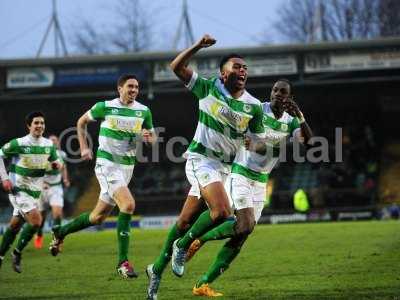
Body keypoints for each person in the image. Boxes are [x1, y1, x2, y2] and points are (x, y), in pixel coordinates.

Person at [146, 34, 265, 300]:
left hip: (226, 168)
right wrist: (198, 46)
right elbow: (176, 67)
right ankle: (184, 245)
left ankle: (155, 270)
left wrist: (254, 143)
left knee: (185, 220)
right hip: (201, 159)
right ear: (223, 74)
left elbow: (257, 142)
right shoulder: (209, 88)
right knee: (222, 211)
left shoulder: (254, 106)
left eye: (245, 67)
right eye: (237, 67)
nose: (242, 70)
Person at [184, 79, 313, 296]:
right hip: (241, 173)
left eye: (283, 92)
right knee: (243, 223)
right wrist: (253, 144)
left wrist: (300, 117)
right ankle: (198, 239)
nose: (277, 94)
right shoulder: (257, 110)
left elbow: (308, 142)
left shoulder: (291, 122)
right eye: (274, 90)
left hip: (261, 181)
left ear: (289, 97)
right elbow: (245, 133)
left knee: (244, 233)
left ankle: (203, 283)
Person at [49, 74, 156, 279]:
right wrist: (84, 148)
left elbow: (153, 138)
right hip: (107, 164)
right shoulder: (105, 106)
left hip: (127, 168)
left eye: (136, 87)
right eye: (130, 86)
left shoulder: (144, 111)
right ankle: (122, 263)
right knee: (128, 205)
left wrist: (148, 138)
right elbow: (81, 123)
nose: (134, 90)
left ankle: (60, 232)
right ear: (120, 88)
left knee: (97, 217)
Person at [0, 111, 61, 273]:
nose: (40, 126)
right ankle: (17, 253)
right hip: (18, 189)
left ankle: (0, 255)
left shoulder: (48, 144)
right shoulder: (18, 143)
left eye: (42, 123)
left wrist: (57, 165)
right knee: (36, 221)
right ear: (29, 126)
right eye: (36, 123)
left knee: (14, 225)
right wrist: (4, 178)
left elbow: (57, 161)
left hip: (35, 192)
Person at [34, 134, 70, 249]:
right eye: (51, 141)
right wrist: (41, 182)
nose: (54, 142)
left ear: (58, 142)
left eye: (55, 140)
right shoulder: (42, 154)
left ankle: (57, 240)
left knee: (57, 214)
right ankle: (39, 234)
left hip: (56, 187)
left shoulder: (62, 154)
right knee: (41, 218)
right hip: (43, 188)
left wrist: (65, 179)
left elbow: (64, 168)